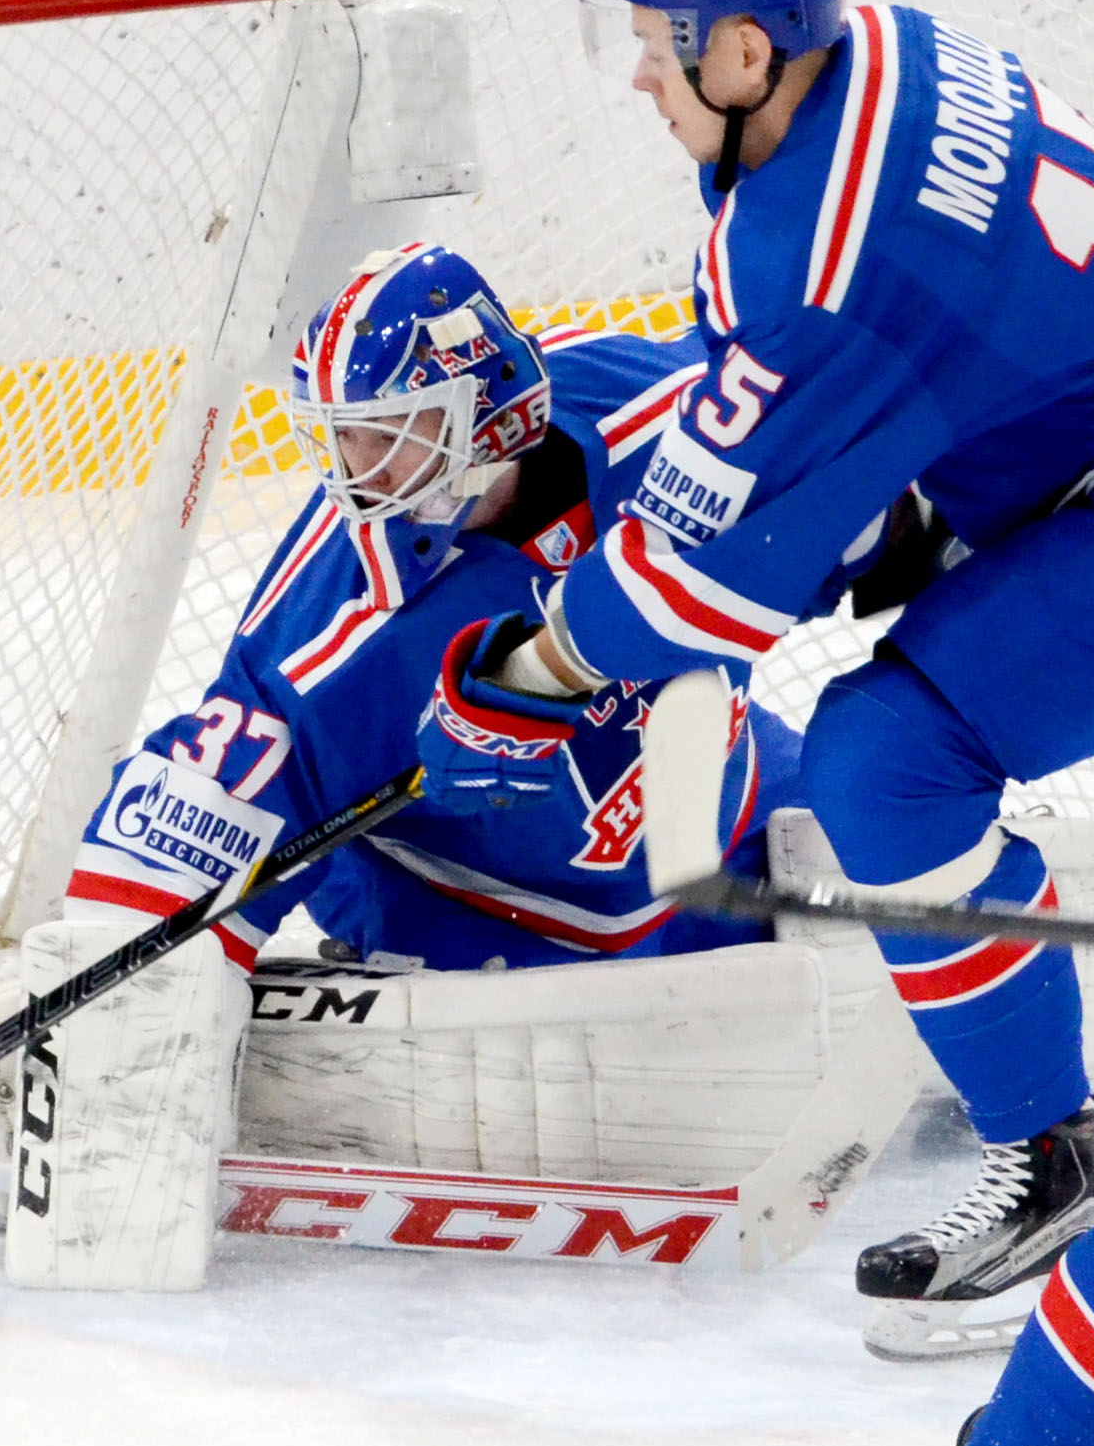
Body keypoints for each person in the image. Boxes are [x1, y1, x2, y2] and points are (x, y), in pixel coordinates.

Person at [405, 0, 1094, 1446]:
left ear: (745, 53)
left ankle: (1012, 1403)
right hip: (1081, 474)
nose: (640, 73)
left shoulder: (814, 246)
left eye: (659, 42)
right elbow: (945, 364)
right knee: (887, 759)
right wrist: (889, 511)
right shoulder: (894, 52)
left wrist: (540, 666)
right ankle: (1047, 1168)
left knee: (885, 758)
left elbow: (692, 593)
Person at [67, 240, 797, 974]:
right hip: (496, 917)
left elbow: (819, 410)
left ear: (487, 413)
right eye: (340, 434)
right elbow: (221, 778)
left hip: (733, 804)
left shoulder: (661, 415)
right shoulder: (350, 620)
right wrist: (128, 969)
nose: (353, 469)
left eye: (385, 431)